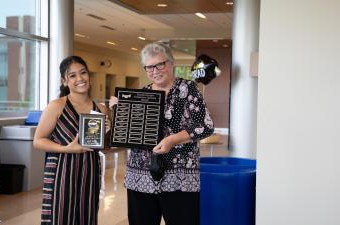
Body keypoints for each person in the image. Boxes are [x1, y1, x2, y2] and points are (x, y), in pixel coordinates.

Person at [109, 42, 214, 225]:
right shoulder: (142, 94)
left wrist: (173, 139)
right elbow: (129, 132)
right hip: (140, 175)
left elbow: (205, 125)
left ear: (171, 63)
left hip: (179, 177)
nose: (155, 70)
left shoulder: (187, 89)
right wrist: (120, 111)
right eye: (149, 67)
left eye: (160, 64)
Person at [33, 55, 109, 225]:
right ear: (65, 81)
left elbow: (104, 146)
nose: (80, 78)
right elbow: (38, 140)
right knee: (60, 217)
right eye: (72, 75)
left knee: (86, 216)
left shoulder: (101, 109)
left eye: (83, 73)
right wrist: (67, 148)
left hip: (89, 171)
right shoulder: (57, 106)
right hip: (62, 171)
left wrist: (107, 131)